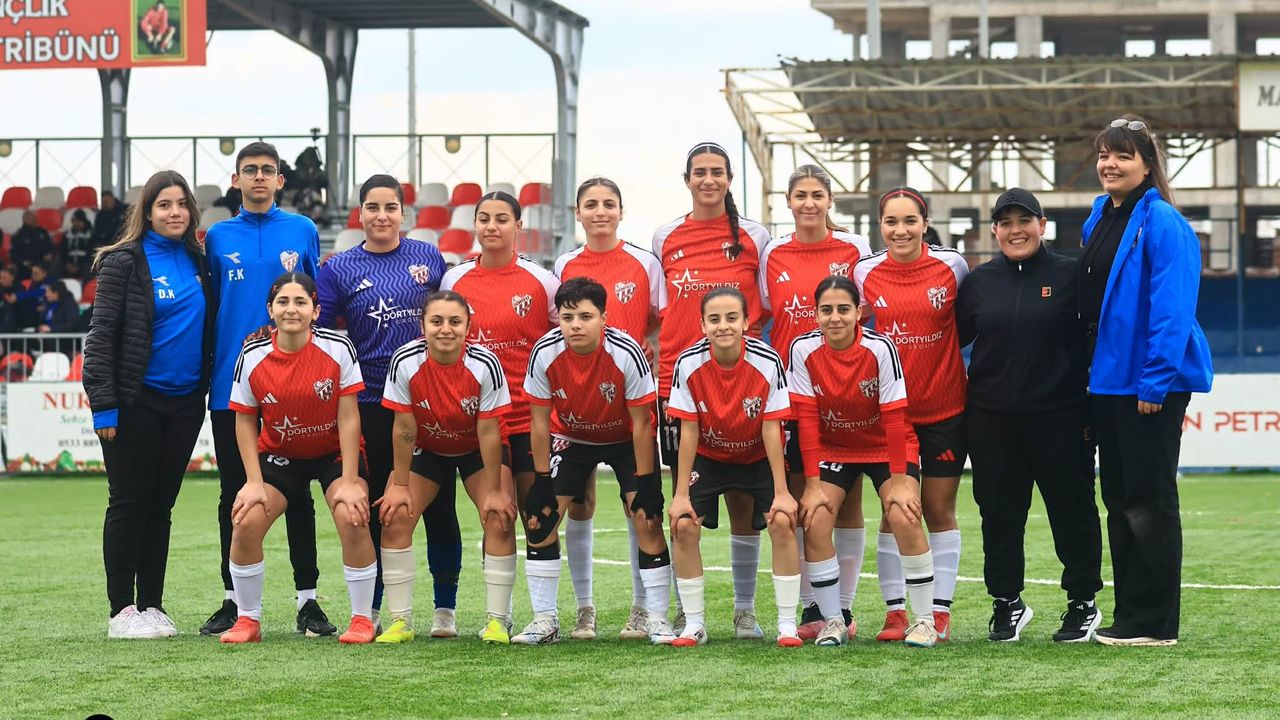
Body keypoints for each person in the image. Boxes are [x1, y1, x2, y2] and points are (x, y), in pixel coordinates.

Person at [1080, 116, 1213, 647]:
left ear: (1147, 164)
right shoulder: (1099, 216)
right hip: (1107, 382)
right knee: (1119, 500)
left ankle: (1155, 622)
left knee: (1149, 501)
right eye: (1104, 155)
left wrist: (1155, 381)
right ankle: (1130, 615)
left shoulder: (1163, 222)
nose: (1110, 164)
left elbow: (1172, 308)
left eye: (1122, 155)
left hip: (1147, 386)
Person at [956, 188, 1104, 642]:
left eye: (1025, 221)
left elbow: (1098, 336)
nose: (1015, 230)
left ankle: (1083, 602)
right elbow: (953, 342)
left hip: (1061, 417)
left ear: (1042, 225)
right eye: (1006, 223)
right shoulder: (979, 282)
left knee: (1072, 511)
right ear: (995, 230)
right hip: (992, 420)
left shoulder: (1071, 274)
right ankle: (1007, 603)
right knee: (999, 515)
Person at [316, 174, 451, 636]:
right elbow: (324, 334)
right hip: (371, 403)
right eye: (372, 207)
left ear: (403, 213)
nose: (381, 216)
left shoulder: (427, 257)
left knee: (438, 507)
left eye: (390, 207)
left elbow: (448, 318)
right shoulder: (338, 268)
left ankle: (445, 610)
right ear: (360, 214)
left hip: (426, 402)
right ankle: (370, 609)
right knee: (379, 508)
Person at [202, 141, 328, 637]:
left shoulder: (303, 229)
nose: (259, 177)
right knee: (232, 494)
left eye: (267, 170)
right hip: (230, 386)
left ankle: (308, 602)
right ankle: (233, 600)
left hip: (293, 384)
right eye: (249, 170)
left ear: (280, 180)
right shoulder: (217, 237)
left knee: (297, 493)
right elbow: (213, 308)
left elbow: (313, 300)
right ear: (235, 180)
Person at [82, 170, 213, 639]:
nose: (174, 212)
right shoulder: (123, 262)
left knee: (161, 507)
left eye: (181, 204)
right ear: (148, 212)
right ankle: (121, 611)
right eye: (164, 205)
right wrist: (105, 406)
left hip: (185, 405)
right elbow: (100, 339)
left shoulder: (200, 261)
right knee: (129, 503)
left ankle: (152, 605)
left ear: (191, 211)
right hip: (135, 402)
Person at [652, 142, 773, 638]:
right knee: (685, 502)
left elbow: (764, 306)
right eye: (699, 172)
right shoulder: (665, 236)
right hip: (679, 385)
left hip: (743, 382)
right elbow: (663, 312)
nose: (708, 180)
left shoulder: (755, 236)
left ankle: (745, 610)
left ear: (729, 179)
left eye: (717, 172)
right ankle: (688, 611)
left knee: (745, 503)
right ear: (686, 180)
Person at [515, 277, 674, 645]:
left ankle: (657, 618)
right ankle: (545, 620)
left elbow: (642, 423)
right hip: (572, 439)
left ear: (604, 318)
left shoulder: (627, 352)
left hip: (624, 439)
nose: (576, 325)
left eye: (585, 316)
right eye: (567, 317)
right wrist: (541, 479)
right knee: (540, 517)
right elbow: (539, 421)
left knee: (647, 518)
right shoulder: (545, 351)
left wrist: (647, 483)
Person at [220, 272, 376, 644]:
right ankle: (248, 620)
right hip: (280, 455)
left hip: (332, 453)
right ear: (270, 310)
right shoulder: (252, 354)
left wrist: (350, 481)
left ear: (315, 311)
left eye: (300, 302)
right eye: (283, 302)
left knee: (352, 515)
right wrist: (253, 482)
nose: (292, 309)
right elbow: (245, 420)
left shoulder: (338, 347)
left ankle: (362, 620)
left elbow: (349, 416)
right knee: (245, 521)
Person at [790, 276, 938, 647]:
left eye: (843, 309)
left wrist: (901, 482)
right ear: (815, 314)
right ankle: (834, 621)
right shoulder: (802, 349)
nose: (835, 318)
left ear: (859, 312)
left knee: (903, 513)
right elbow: (806, 420)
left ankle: (924, 621)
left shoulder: (880, 347)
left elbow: (894, 418)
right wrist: (812, 485)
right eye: (826, 310)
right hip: (835, 447)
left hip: (887, 445)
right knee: (815, 518)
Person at [758, 164, 871, 640]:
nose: (808, 203)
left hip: (846, 390)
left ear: (830, 200)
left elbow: (866, 312)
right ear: (788, 201)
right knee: (808, 499)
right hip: (793, 393)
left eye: (817, 195)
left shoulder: (855, 248)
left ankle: (843, 607)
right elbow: (766, 315)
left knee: (848, 501)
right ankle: (813, 606)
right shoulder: (772, 253)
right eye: (800, 195)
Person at [439, 191, 560, 634]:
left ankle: (546, 618)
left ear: (518, 226)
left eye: (502, 218)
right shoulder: (455, 279)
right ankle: (499, 619)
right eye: (484, 218)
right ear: (474, 224)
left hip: (528, 418)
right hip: (480, 422)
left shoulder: (542, 281)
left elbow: (561, 341)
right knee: (499, 516)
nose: (492, 226)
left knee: (537, 515)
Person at [853, 187, 968, 643]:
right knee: (893, 510)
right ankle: (896, 612)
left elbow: (967, 323)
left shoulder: (952, 266)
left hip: (945, 411)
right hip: (891, 418)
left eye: (909, 221)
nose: (900, 230)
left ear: (925, 223)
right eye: (891, 222)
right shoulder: (864, 271)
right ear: (880, 226)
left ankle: (939, 611)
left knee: (938, 509)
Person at [553, 177, 665, 639]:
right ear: (577, 212)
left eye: (608, 204)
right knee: (579, 505)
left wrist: (648, 346)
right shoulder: (564, 264)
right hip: (579, 409)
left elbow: (659, 320)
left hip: (630, 406)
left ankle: (643, 607)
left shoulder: (645, 262)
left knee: (639, 505)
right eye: (591, 204)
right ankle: (585, 609)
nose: (600, 211)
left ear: (621, 211)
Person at [375, 291, 517, 645]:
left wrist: (496, 491)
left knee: (499, 516)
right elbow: (404, 427)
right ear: (422, 325)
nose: (445, 329)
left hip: (475, 449)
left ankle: (498, 622)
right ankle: (401, 621)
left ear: (468, 326)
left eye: (455, 322)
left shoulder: (485, 364)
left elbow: (489, 431)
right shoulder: (405, 361)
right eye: (436, 321)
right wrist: (399, 485)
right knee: (395, 514)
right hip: (429, 448)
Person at [664, 287, 800, 647]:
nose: (723, 326)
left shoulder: (767, 360)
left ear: (746, 322)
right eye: (714, 319)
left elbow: (772, 427)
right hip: (709, 456)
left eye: (731, 318)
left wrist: (782, 492)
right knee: (683, 523)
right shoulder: (688, 362)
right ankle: (694, 624)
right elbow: (688, 429)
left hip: (756, 455)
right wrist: (680, 494)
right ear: (702, 325)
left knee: (783, 520)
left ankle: (785, 624)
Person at [11, 210, 55, 281]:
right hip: (27, 266)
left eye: (36, 217)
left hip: (44, 264)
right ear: (26, 219)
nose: (36, 220)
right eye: (34, 217)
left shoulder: (42, 232)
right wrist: (24, 263)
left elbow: (51, 247)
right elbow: (14, 255)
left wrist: (50, 254)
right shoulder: (18, 235)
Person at [63, 209, 95, 280]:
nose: (76, 223)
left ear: (84, 221)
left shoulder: (92, 235)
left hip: (85, 265)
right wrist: (67, 264)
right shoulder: (67, 235)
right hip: (69, 264)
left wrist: (79, 267)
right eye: (74, 221)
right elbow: (63, 251)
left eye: (79, 221)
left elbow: (92, 252)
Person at [92, 191, 126, 256]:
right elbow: (97, 232)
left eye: (106, 201)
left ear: (112, 200)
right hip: (104, 245)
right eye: (103, 202)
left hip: (120, 244)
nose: (104, 204)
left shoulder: (123, 212)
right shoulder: (100, 215)